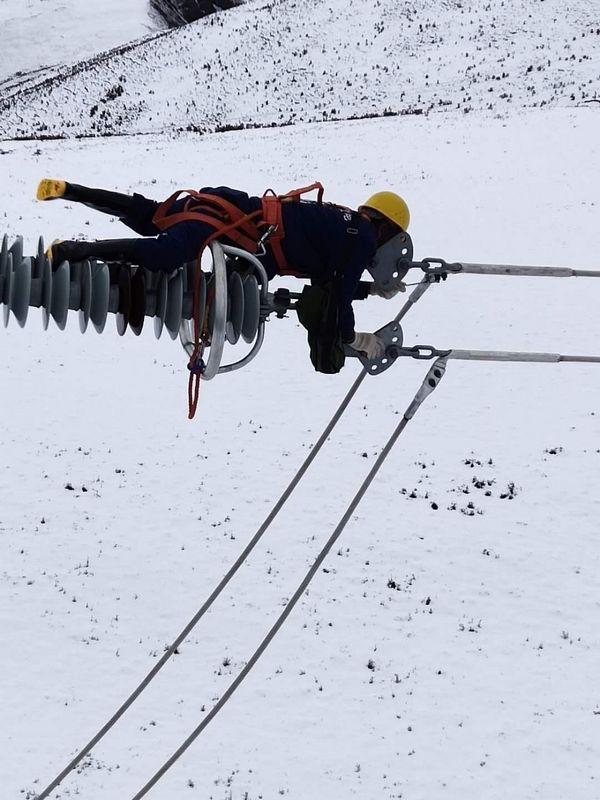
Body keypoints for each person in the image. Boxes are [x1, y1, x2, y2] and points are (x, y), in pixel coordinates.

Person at [36, 179, 410, 360]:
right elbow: (338, 298)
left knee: (150, 215)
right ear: (387, 230)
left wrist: (371, 290)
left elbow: (330, 283)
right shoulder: (363, 239)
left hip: (228, 212)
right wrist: (356, 340)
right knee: (165, 254)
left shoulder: (344, 225)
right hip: (237, 229)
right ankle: (75, 250)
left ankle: (71, 190)